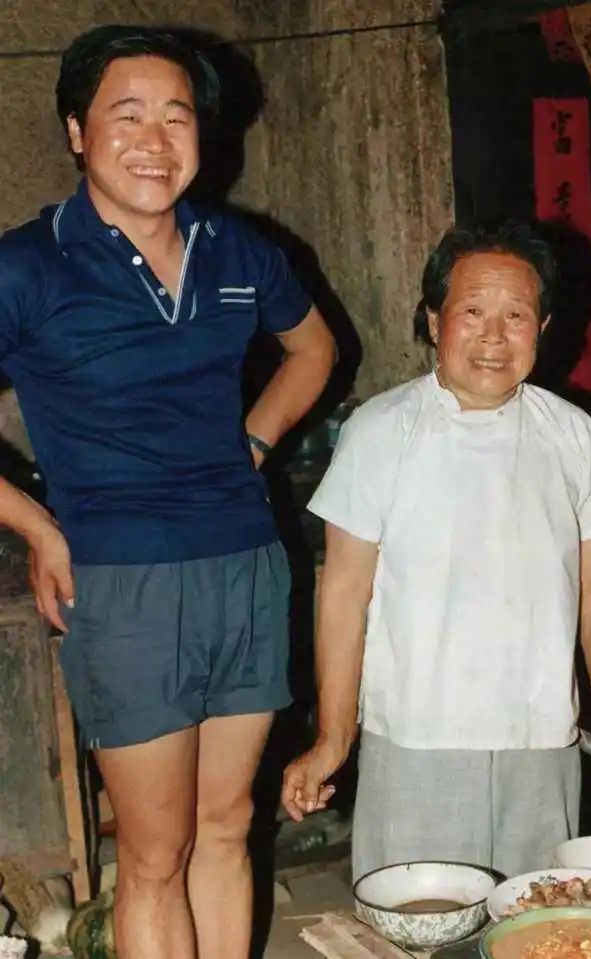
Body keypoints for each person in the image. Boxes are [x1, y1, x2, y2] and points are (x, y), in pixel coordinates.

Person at [0, 25, 335, 959]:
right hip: (124, 583)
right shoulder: (27, 264)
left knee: (228, 826)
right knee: (155, 854)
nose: (155, 140)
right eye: (127, 115)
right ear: (77, 132)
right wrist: (37, 526)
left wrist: (255, 439)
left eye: (177, 117)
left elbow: (314, 349)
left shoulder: (239, 249)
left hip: (246, 565)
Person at [282, 220, 591, 881]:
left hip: (541, 737)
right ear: (434, 321)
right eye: (473, 311)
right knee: (418, 920)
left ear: (542, 328)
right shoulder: (380, 432)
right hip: (415, 742)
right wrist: (333, 735)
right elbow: (342, 593)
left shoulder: (573, 435)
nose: (493, 336)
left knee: (537, 919)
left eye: (516, 315)